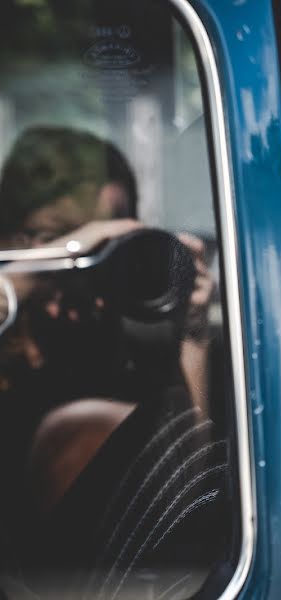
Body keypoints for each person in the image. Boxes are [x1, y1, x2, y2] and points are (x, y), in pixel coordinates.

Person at [0, 126, 232, 597]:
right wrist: (47, 267)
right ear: (11, 236)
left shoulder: (127, 337)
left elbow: (194, 487)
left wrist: (192, 331)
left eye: (110, 238)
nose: (88, 256)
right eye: (56, 232)